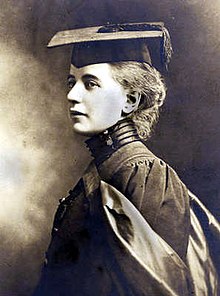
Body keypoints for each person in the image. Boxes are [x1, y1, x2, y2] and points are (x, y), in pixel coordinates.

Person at [33, 23, 219, 296]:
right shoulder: (106, 166)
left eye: (90, 84)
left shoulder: (144, 173)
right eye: (72, 83)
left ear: (130, 100)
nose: (72, 95)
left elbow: (160, 288)